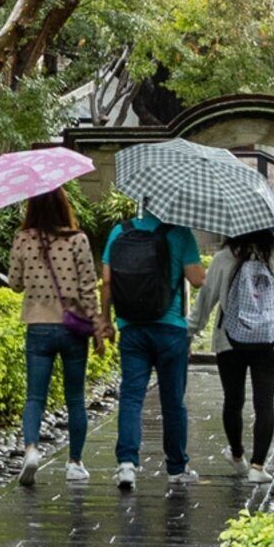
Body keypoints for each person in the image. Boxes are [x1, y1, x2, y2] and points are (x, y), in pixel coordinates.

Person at [101, 206, 207, 492]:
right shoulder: (179, 233)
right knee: (173, 400)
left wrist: (105, 319)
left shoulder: (119, 232)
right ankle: (176, 467)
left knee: (132, 396)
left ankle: (126, 464)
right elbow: (197, 279)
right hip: (170, 327)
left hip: (131, 327)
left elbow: (107, 281)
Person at [7, 188, 100, 484]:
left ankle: (32, 449)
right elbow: (89, 288)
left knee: (35, 395)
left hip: (38, 325)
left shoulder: (23, 239)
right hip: (73, 328)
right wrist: (98, 325)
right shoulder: (78, 239)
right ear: (63, 207)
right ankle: (75, 463)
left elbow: (15, 283)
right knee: (75, 397)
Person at [201, 229, 274, 479]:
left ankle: (236, 454)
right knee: (265, 403)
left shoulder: (224, 257)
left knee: (233, 400)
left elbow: (206, 299)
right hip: (272, 341)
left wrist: (191, 329)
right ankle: (258, 466)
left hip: (229, 340)